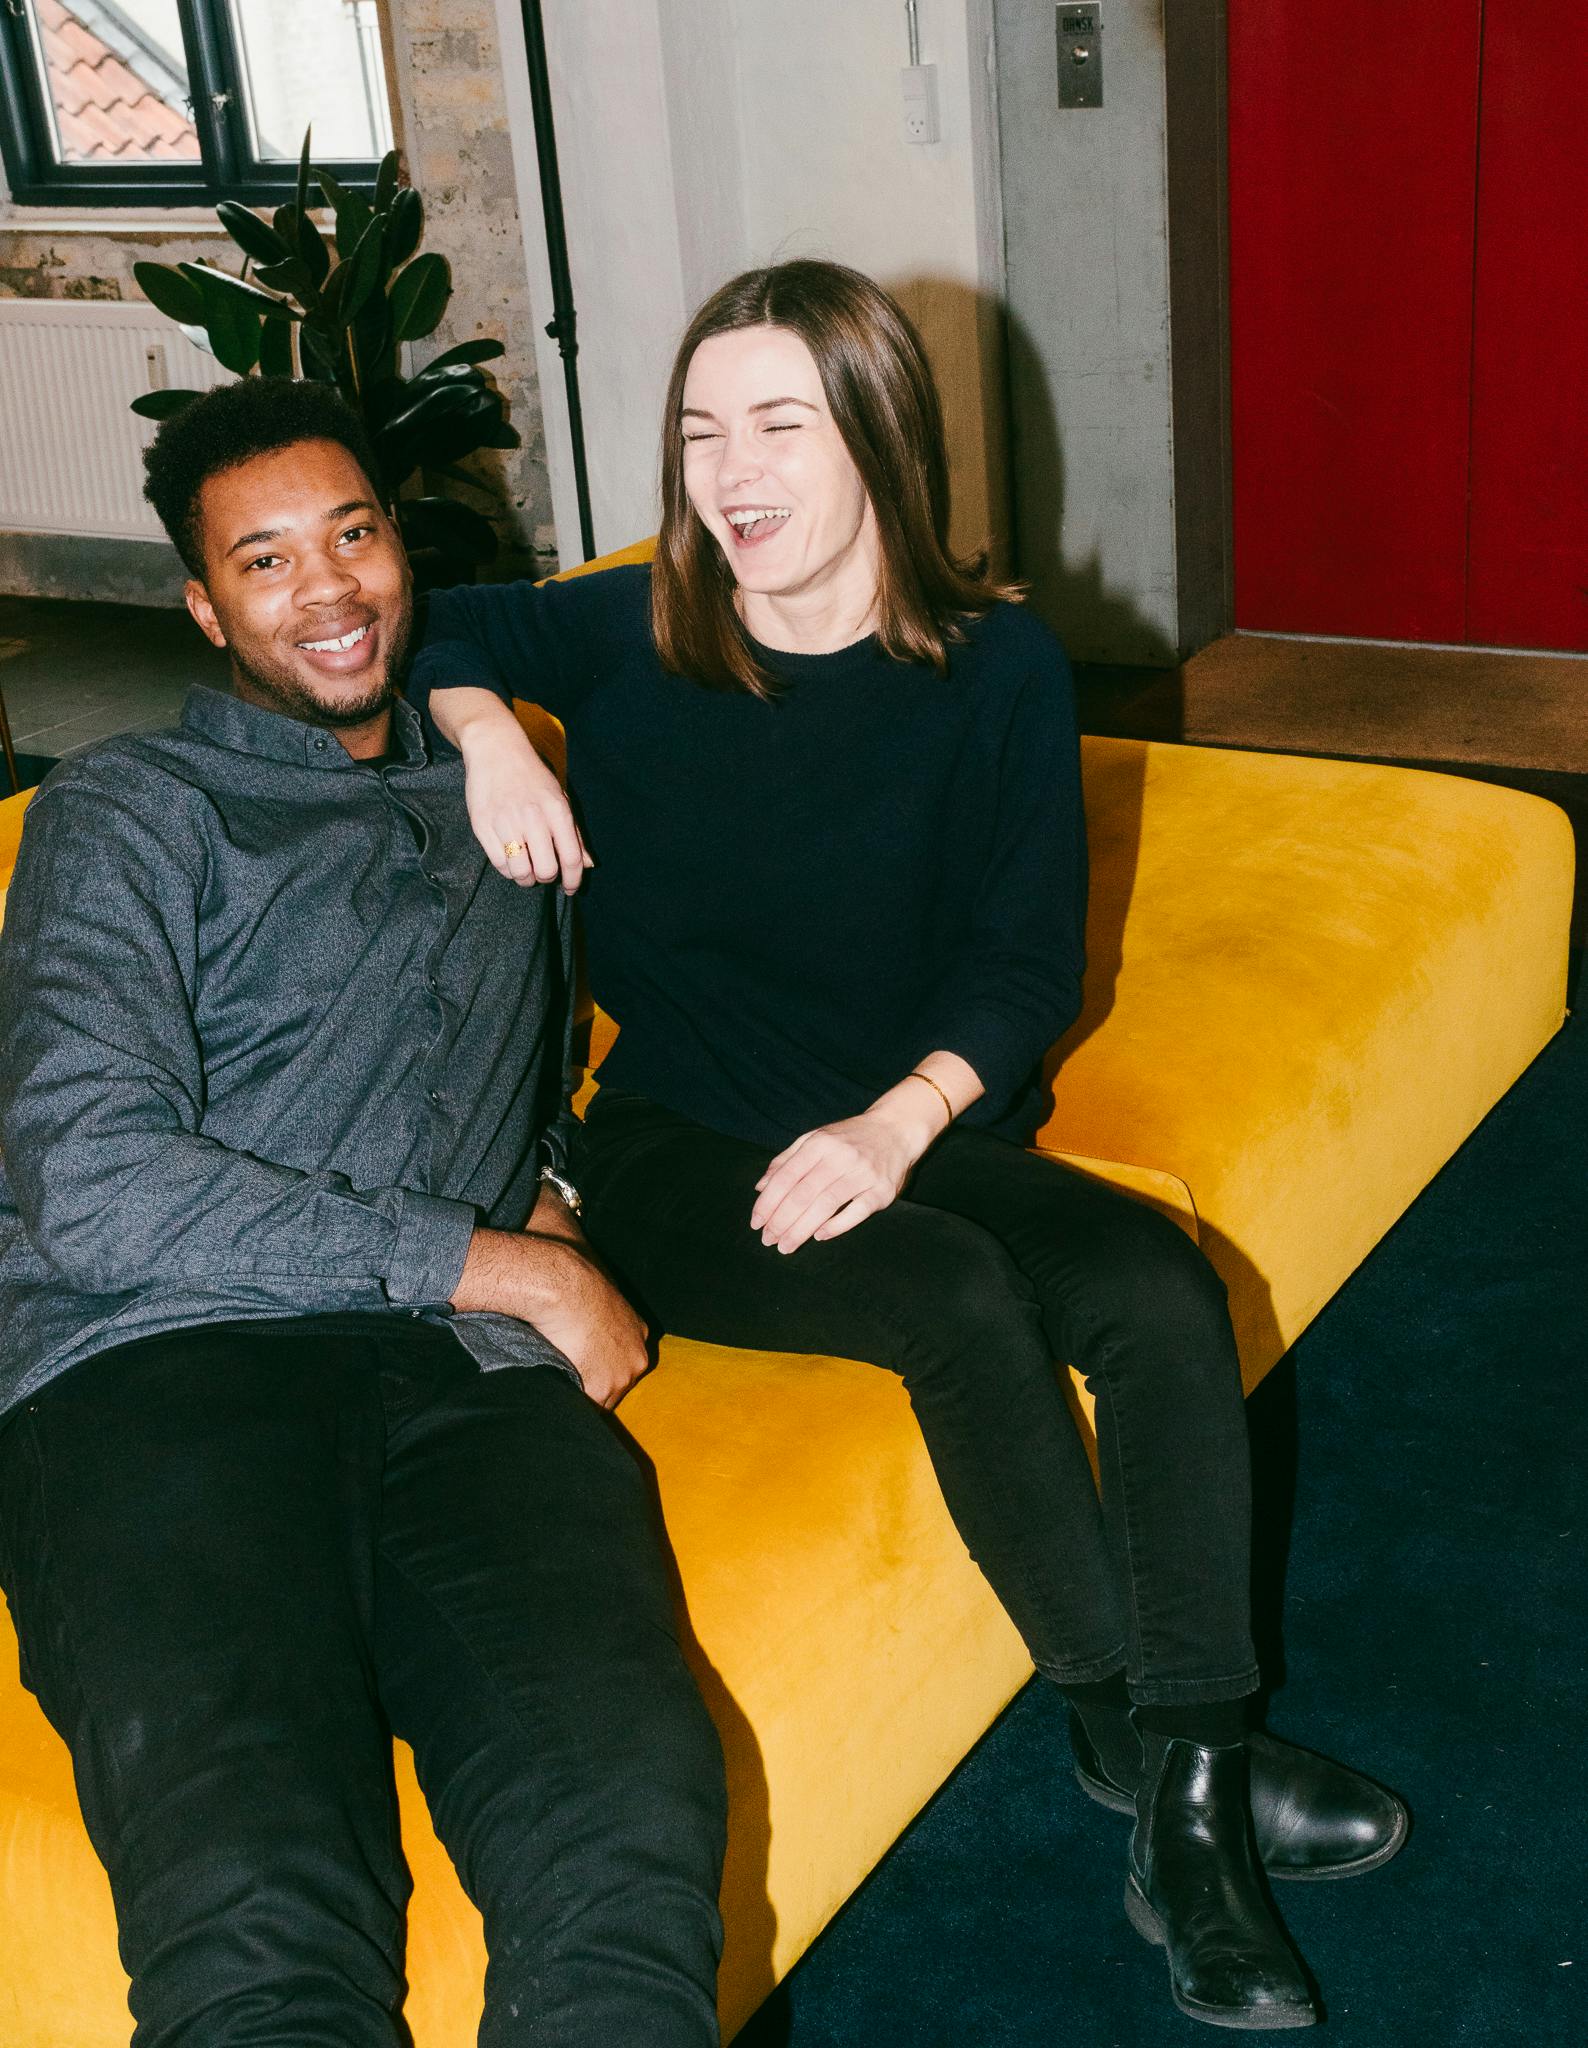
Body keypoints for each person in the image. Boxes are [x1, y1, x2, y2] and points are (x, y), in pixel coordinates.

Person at [405, 260, 1409, 2032]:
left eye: (781, 421)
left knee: (1160, 1292)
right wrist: (485, 727)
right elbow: (427, 620)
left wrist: (898, 1117)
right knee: (953, 1297)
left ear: (879, 439)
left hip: (908, 1118)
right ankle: (1151, 1751)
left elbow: (1027, 962)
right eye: (702, 429)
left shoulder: (998, 663)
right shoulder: (636, 628)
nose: (733, 469)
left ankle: (1182, 1777)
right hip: (673, 1143)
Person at [0, 378, 727, 2048]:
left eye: (355, 533)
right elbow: (89, 1176)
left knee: (625, 1847)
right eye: (266, 562)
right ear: (203, 607)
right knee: (266, 1916)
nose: (328, 590)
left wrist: (548, 1192)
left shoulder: (502, 800)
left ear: (406, 548)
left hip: (465, 1389)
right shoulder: (131, 814)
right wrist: (503, 1265)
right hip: (152, 1377)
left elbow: (542, 1061)